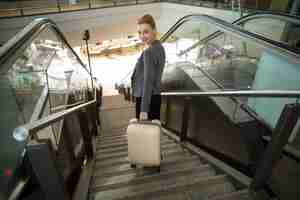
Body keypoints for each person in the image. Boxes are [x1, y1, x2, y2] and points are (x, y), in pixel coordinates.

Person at [131, 14, 166, 121]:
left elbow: (148, 81)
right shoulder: (160, 47)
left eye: (146, 32)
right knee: (153, 133)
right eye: (139, 32)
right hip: (155, 97)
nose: (142, 36)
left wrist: (144, 109)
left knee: (144, 134)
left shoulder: (148, 52)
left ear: (154, 31)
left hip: (146, 99)